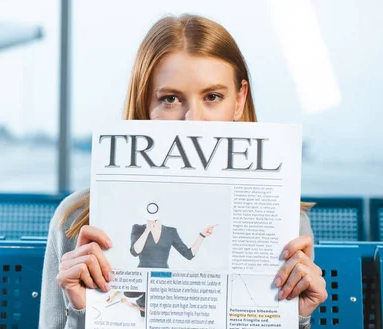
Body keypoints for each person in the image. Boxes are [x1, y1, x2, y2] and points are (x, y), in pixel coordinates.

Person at [39, 14, 327, 329]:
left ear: (239, 100)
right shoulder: (76, 222)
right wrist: (81, 312)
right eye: (170, 99)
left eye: (213, 97)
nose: (193, 120)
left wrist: (298, 317)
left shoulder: (286, 222)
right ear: (145, 105)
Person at [130, 202, 217, 268]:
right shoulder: (138, 228)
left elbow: (188, 255)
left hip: (163, 276)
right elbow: (134, 252)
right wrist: (147, 230)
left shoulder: (170, 232)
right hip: (143, 275)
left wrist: (202, 235)